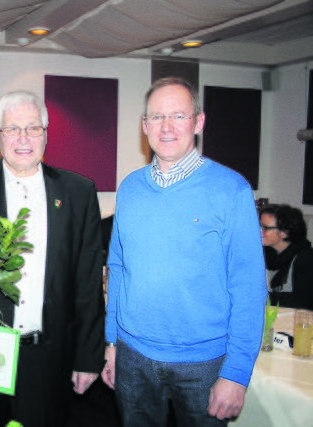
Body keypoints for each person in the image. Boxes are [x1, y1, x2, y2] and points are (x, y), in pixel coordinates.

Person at [0, 91, 105, 427]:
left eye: (33, 128)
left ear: (46, 134)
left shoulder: (78, 192)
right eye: (12, 129)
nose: (23, 139)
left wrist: (88, 356)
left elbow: (87, 283)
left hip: (49, 358)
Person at [102, 77, 267, 426]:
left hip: (205, 364)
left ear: (198, 122)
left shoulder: (231, 190)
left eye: (178, 115)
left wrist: (236, 374)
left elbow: (249, 287)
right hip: (132, 356)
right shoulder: (130, 188)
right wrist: (112, 342)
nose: (166, 127)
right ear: (144, 125)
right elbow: (117, 267)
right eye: (156, 117)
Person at [260, 203, 313, 310]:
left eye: (265, 228)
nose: (260, 231)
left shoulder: (305, 258)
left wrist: (257, 296)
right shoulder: (265, 254)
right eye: (259, 225)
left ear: (285, 232)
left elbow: (302, 301)